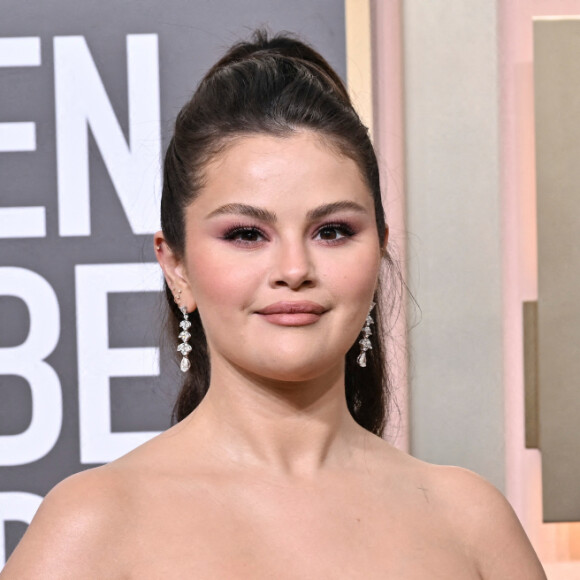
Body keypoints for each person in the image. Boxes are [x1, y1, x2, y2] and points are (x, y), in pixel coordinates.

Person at [1, 30, 546, 579]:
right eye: (245, 234)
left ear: (379, 250)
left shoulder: (469, 522)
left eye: (332, 231)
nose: (294, 270)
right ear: (176, 266)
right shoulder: (92, 526)